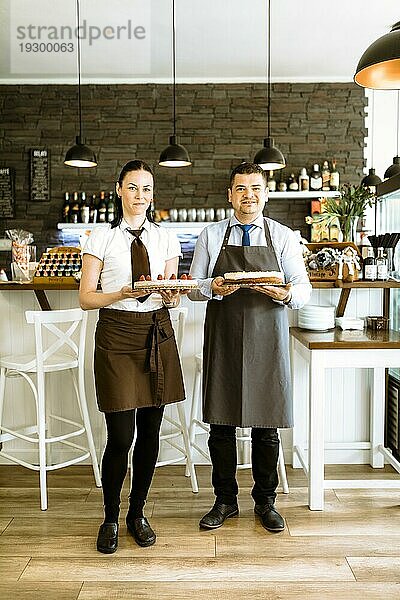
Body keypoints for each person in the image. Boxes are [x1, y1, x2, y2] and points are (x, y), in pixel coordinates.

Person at [189, 162, 311, 532]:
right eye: (241, 189)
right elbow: (193, 288)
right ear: (230, 195)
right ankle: (225, 500)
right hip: (223, 337)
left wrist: (286, 293)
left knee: (266, 424)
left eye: (255, 188)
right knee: (221, 423)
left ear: (266, 193)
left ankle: (266, 502)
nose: (248, 196)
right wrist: (213, 287)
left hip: (268, 339)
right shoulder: (211, 236)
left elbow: (303, 289)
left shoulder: (283, 236)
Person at [79, 159, 186, 554]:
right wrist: (119, 293)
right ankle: (109, 516)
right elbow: (86, 298)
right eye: (133, 187)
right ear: (119, 190)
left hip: (156, 332)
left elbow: (169, 290)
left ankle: (137, 513)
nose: (140, 195)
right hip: (116, 334)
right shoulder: (99, 240)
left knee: (151, 434)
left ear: (152, 194)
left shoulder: (166, 240)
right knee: (121, 435)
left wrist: (173, 296)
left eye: (147, 189)